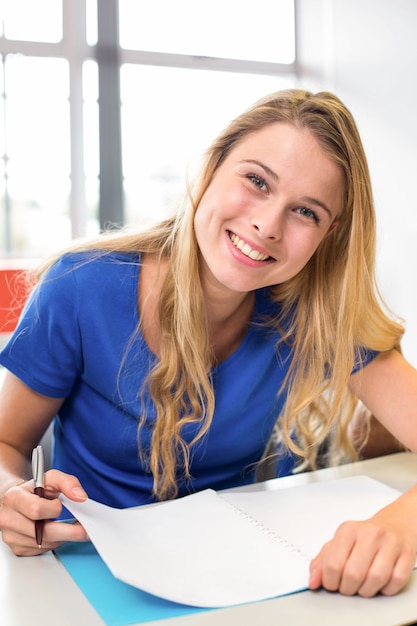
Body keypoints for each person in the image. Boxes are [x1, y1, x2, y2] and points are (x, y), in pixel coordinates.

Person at [0, 88, 416, 600]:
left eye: (306, 212)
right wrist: (9, 493)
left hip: (253, 576)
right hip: (84, 568)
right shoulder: (78, 285)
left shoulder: (315, 312)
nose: (267, 224)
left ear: (329, 234)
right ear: (210, 168)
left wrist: (403, 525)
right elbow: (7, 445)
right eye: (256, 180)